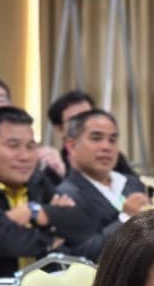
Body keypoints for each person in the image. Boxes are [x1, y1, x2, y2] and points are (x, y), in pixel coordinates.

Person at [0, 105, 90, 284]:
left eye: (31, 146)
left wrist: (34, 212)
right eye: (13, 146)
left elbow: (81, 224)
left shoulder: (37, 182)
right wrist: (52, 235)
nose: (25, 156)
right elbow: (7, 241)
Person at [54, 110, 148, 261]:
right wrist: (126, 218)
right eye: (96, 138)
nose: (106, 147)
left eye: (112, 140)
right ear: (71, 146)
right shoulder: (66, 195)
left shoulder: (132, 183)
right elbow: (78, 256)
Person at [47, 87, 138, 180]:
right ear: (60, 129)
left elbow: (135, 184)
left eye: (90, 115)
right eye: (76, 119)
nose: (86, 122)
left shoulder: (109, 153)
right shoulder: (54, 170)